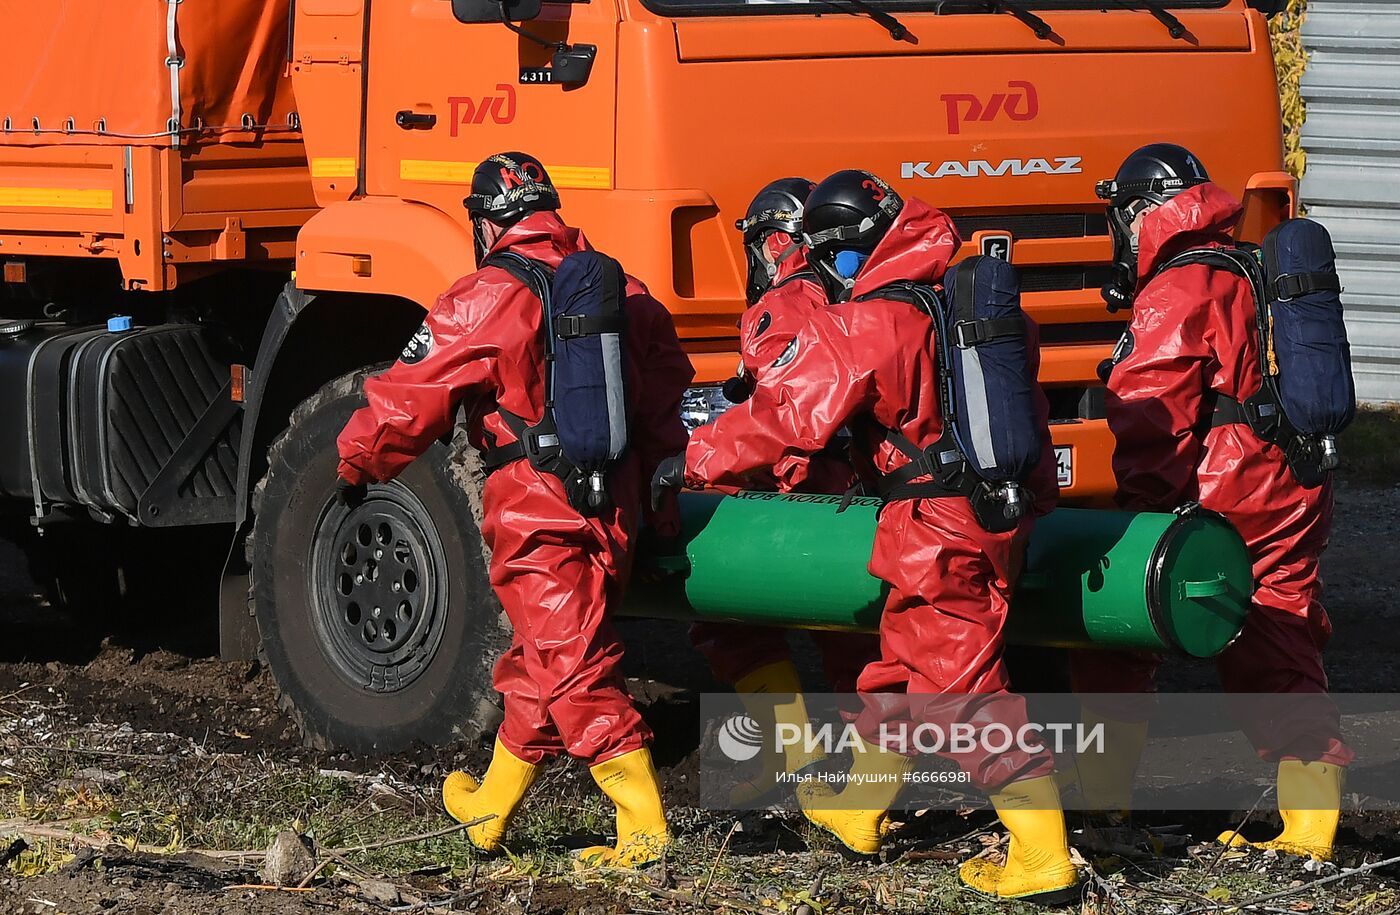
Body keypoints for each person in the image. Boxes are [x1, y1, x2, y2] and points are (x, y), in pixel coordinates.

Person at [655, 170, 1076, 903]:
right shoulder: (953, 299)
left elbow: (786, 412)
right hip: (986, 507)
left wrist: (691, 457)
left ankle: (1043, 855)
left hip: (936, 520)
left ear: (844, 254)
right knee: (900, 667)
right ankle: (859, 808)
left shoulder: (872, 322)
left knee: (960, 689)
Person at [336, 151, 694, 867]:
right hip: (612, 505)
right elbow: (664, 404)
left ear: (488, 221)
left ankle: (645, 827)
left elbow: (411, 394)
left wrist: (354, 458)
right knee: (539, 661)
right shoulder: (625, 288)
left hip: (538, 511)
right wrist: (656, 514)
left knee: (571, 664)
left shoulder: (485, 293)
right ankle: (489, 808)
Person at [1072, 143, 1351, 860]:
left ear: (1143, 216)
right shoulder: (1252, 266)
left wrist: (1138, 514)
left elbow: (1147, 413)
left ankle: (1103, 810)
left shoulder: (1177, 288)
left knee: (1119, 640)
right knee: (1280, 637)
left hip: (1227, 492)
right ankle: (1312, 829)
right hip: (1293, 481)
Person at [689, 178, 880, 804]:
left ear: (775, 242)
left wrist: (699, 459)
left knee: (725, 619)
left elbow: (785, 417)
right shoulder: (854, 293)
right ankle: (865, 774)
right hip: (866, 489)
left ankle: (803, 758)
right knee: (861, 643)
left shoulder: (785, 305)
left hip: (805, 495)